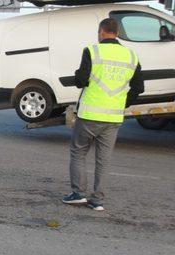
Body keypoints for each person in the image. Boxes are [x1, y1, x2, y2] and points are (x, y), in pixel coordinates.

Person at [62, 18, 144, 211]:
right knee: (103, 159)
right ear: (117, 33)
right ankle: (97, 199)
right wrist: (123, 102)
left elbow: (81, 80)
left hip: (90, 114)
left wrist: (76, 76)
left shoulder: (92, 51)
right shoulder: (131, 56)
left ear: (101, 32)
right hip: (114, 117)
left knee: (78, 152)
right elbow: (139, 87)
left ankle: (78, 194)